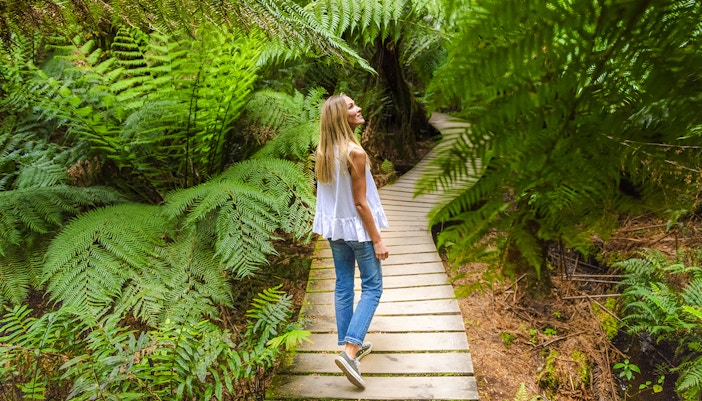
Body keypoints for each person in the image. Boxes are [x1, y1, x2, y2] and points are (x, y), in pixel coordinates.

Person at [312, 93, 389, 389]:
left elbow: (327, 197)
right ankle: (350, 351)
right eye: (351, 107)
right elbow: (360, 203)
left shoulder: (323, 151)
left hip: (335, 231)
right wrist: (377, 239)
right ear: (339, 117)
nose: (358, 109)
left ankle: (349, 345)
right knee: (373, 287)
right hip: (357, 230)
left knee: (344, 285)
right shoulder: (354, 152)